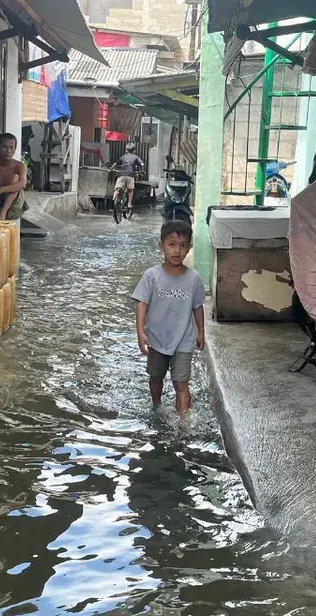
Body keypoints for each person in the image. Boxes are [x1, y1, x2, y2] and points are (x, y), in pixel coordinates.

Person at [132, 219, 206, 416]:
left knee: (181, 382)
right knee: (155, 377)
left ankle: (183, 425)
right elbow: (142, 303)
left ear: (189, 248)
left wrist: (201, 333)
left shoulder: (194, 279)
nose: (177, 251)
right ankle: (156, 408)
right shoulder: (151, 276)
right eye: (171, 245)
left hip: (183, 340)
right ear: (161, 246)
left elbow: (198, 307)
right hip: (156, 338)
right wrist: (140, 332)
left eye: (182, 246)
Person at [0, 132, 28, 221]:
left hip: (13, 206)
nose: (8, 151)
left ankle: (3, 212)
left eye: (11, 147)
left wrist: (1, 189)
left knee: (15, 178)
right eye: (5, 147)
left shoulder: (19, 165)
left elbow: (22, 184)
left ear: (15, 149)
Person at [112, 143, 145, 209]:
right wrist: (142, 171)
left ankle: (114, 199)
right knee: (130, 190)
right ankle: (129, 203)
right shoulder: (136, 157)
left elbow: (115, 164)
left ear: (126, 150)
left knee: (118, 188)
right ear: (134, 151)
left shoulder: (123, 157)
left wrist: (111, 169)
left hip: (122, 174)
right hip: (130, 175)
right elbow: (142, 164)